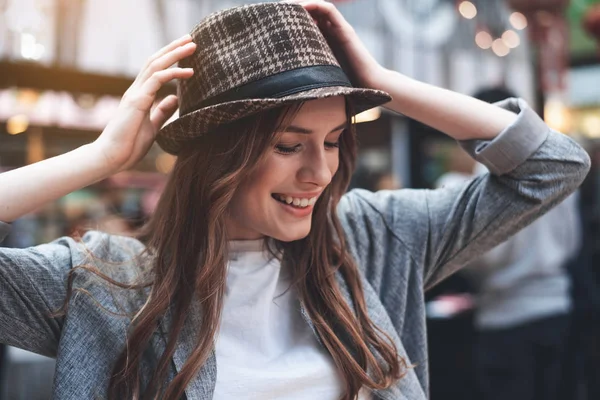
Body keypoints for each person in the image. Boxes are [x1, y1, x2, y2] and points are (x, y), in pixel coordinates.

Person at [0, 2, 590, 399]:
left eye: (333, 141)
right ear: (217, 156)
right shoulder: (108, 285)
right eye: (288, 145)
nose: (320, 171)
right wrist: (99, 158)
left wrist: (387, 81)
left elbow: (552, 166)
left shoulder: (370, 239)